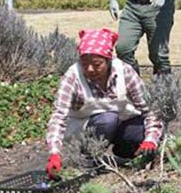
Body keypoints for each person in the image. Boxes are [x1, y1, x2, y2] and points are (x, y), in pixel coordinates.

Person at [45, 28, 164, 178]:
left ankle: (125, 154)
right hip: (84, 131)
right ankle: (87, 159)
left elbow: (149, 110)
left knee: (146, 132)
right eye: (84, 63)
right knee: (108, 119)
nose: (89, 69)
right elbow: (59, 117)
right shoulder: (73, 76)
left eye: (96, 64)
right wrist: (54, 153)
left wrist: (150, 140)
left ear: (108, 61)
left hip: (119, 126)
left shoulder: (124, 72)